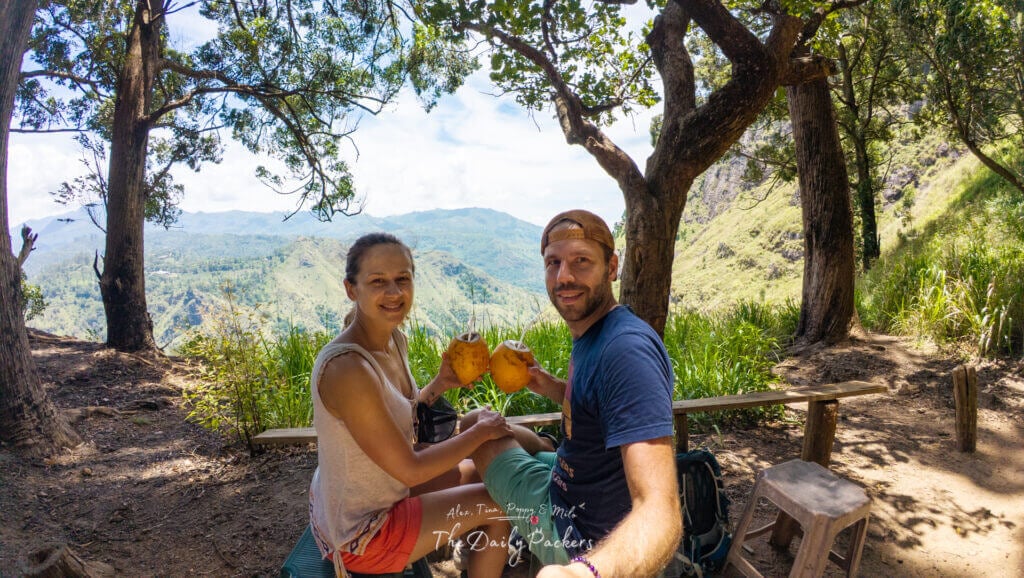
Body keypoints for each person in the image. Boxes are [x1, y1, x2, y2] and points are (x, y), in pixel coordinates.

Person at [463, 210, 683, 577]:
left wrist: (583, 572)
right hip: (577, 476)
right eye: (554, 263)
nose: (564, 276)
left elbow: (660, 509)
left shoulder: (626, 351)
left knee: (474, 425)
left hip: (578, 536)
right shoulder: (598, 331)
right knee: (515, 436)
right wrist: (548, 386)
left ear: (612, 267)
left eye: (581, 261)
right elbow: (600, 403)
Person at [308, 232, 522, 578]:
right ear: (351, 289)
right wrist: (481, 432)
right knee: (498, 505)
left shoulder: (394, 339)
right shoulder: (348, 369)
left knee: (487, 473)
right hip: (362, 532)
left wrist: (439, 385)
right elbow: (410, 469)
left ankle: (472, 552)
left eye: (402, 279)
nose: (394, 293)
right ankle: (481, 553)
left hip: (378, 491)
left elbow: (395, 413)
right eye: (378, 281)